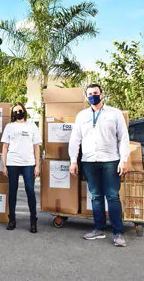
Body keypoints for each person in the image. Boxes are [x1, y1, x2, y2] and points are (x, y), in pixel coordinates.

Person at [69, 83, 130, 247]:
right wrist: (73, 161)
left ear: (102, 95)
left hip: (110, 160)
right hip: (89, 161)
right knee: (95, 197)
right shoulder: (82, 116)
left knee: (112, 196)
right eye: (89, 94)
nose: (92, 96)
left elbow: (123, 138)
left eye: (95, 93)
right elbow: (75, 140)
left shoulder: (114, 114)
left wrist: (123, 159)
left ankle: (118, 233)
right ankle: (98, 229)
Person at [1, 102, 42, 233]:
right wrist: (4, 165)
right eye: (15, 111)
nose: (18, 112)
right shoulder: (9, 127)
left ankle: (33, 220)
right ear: (13, 114)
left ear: (24, 111)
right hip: (12, 162)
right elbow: (5, 147)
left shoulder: (31, 126)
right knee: (12, 191)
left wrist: (37, 165)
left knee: (30, 190)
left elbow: (36, 146)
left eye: (20, 110)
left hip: (28, 163)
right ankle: (11, 219)